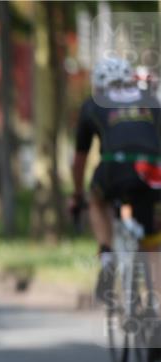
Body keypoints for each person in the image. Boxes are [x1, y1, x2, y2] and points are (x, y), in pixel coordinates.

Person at [71, 56, 161, 303]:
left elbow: (80, 159)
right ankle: (157, 308)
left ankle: (107, 254)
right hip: (150, 170)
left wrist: (77, 194)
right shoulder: (151, 100)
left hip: (114, 168)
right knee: (152, 240)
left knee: (97, 199)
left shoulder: (92, 104)